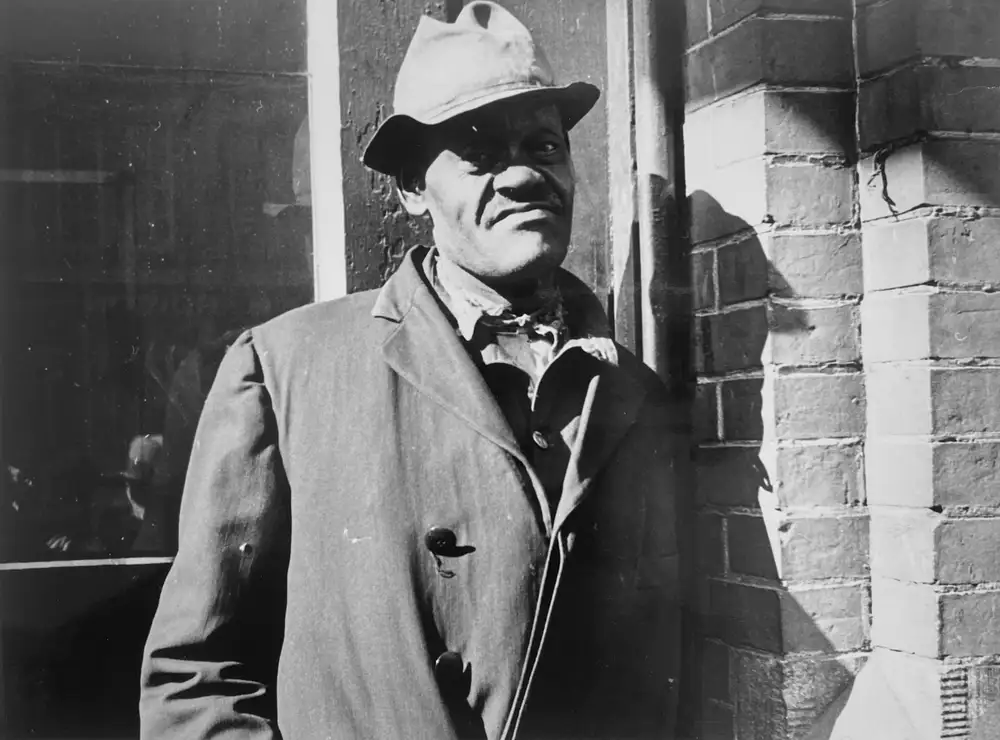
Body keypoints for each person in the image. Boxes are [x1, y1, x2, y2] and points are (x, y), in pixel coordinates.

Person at [139, 3, 680, 739]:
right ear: (412, 190)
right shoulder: (286, 370)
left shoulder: (629, 393)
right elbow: (197, 681)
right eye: (482, 153)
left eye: (545, 146)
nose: (524, 175)